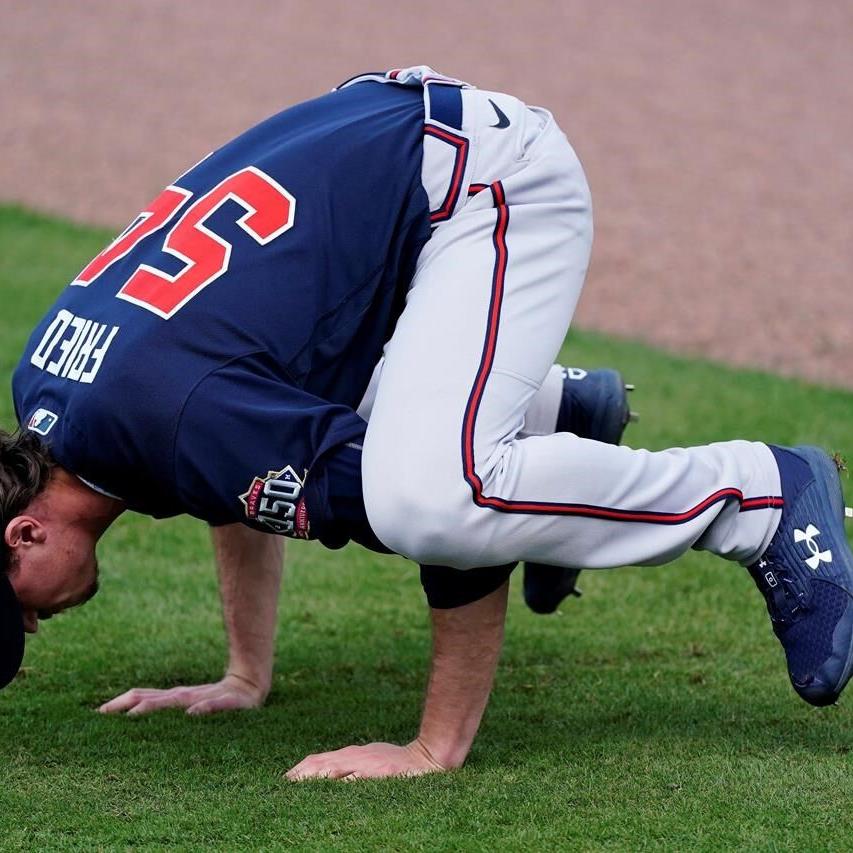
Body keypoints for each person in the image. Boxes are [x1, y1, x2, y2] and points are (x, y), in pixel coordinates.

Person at [2, 67, 851, 781]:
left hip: (485, 180)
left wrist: (433, 745)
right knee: (382, 456)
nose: (32, 627)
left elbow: (432, 529)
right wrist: (244, 673)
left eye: (18, 609)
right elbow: (225, 466)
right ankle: (558, 416)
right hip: (391, 151)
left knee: (434, 494)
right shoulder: (55, 389)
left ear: (26, 530)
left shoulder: (163, 420)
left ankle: (758, 494)